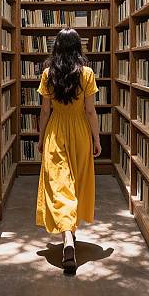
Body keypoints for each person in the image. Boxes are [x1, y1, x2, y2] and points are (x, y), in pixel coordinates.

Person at [36, 28, 102, 274]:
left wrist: (41, 137)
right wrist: (97, 139)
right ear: (78, 49)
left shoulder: (48, 74)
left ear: (56, 48)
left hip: (56, 130)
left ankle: (67, 237)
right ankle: (69, 237)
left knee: (59, 184)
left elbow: (44, 111)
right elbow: (90, 111)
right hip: (80, 132)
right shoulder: (86, 74)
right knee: (76, 183)